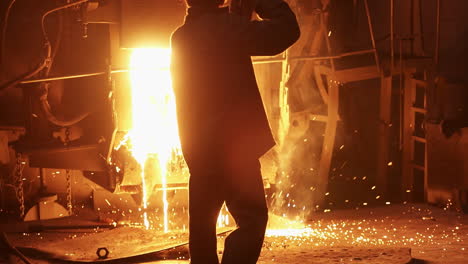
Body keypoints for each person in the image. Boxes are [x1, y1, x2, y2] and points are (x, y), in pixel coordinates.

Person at [170, 0, 299, 263]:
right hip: (235, 148)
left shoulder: (181, 37)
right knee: (252, 219)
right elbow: (287, 31)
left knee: (203, 232)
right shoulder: (227, 29)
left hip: (199, 149)